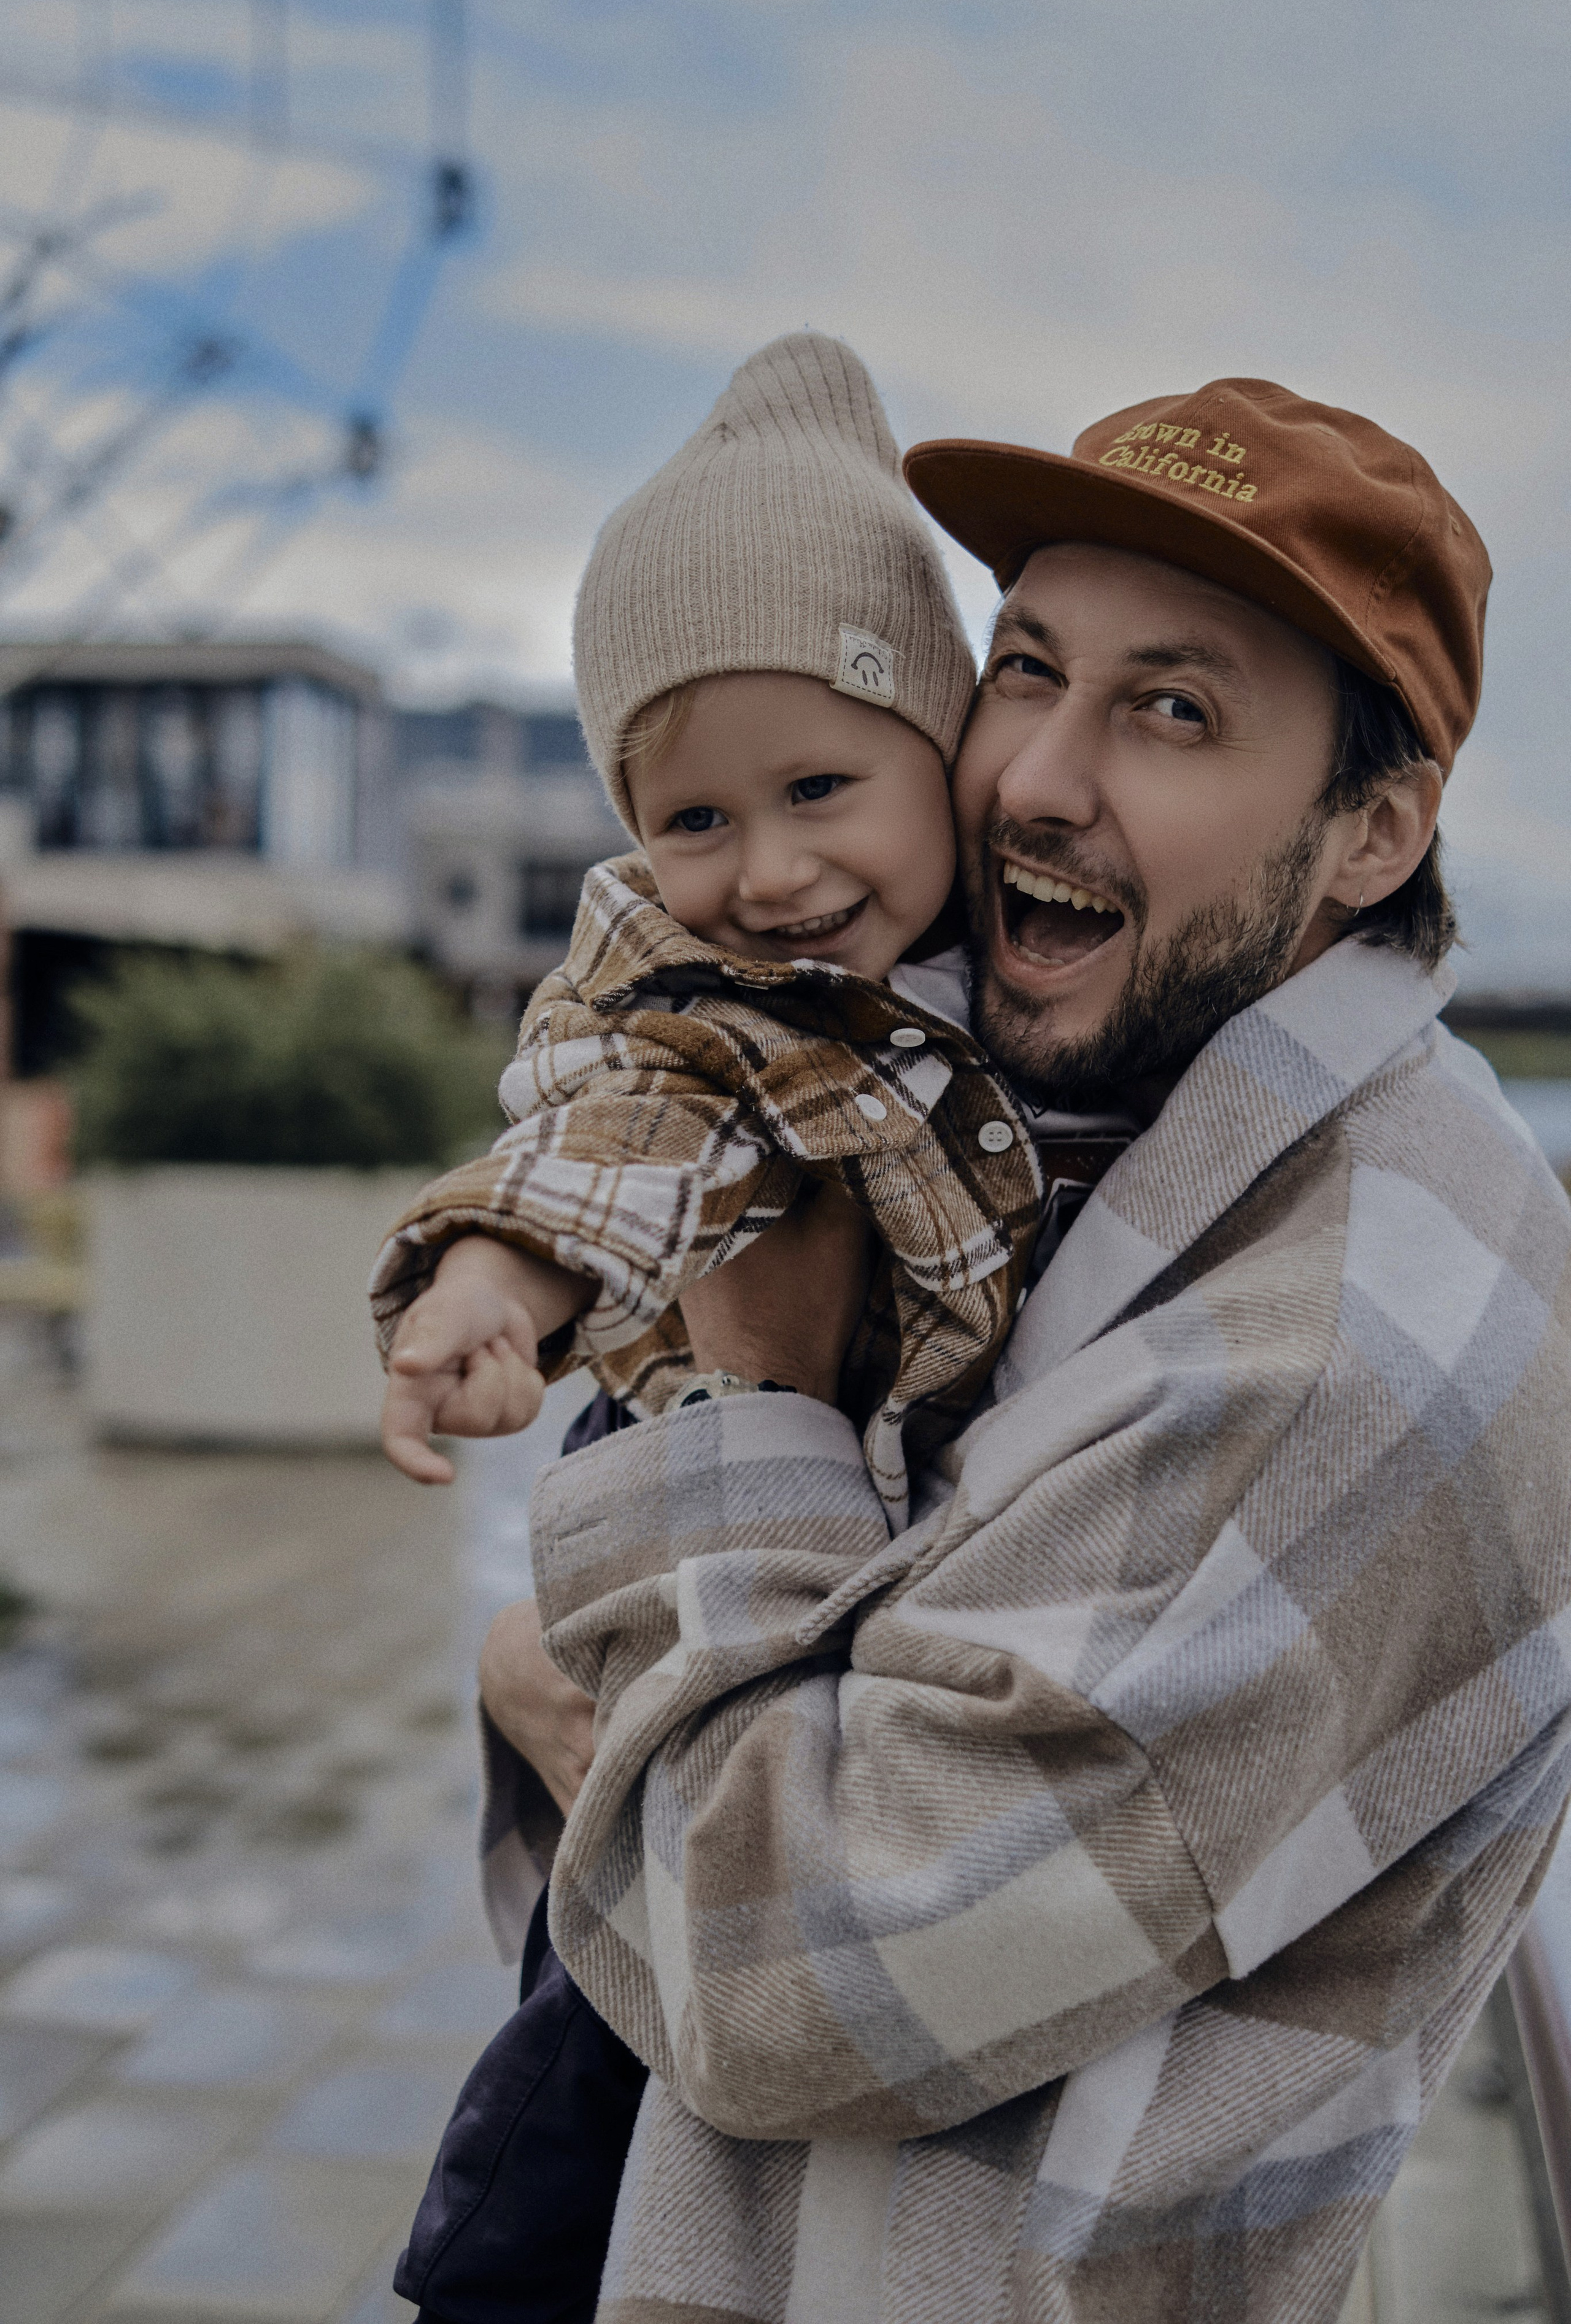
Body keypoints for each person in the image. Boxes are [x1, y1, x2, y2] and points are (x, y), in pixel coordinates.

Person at [477, 378, 1571, 2323]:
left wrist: (746, 1409)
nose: (1032, 781)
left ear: (1375, 831)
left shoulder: (1365, 1342)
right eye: (1029, 670)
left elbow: (779, 1987)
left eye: (1174, 708)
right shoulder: (1063, 1111)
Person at [373, 332, 1132, 1534]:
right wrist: (495, 1280)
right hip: (715, 1499)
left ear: (938, 746)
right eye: (694, 818)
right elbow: (636, 1143)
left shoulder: (1051, 953)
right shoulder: (694, 994)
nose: (771, 874)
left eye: (819, 788)